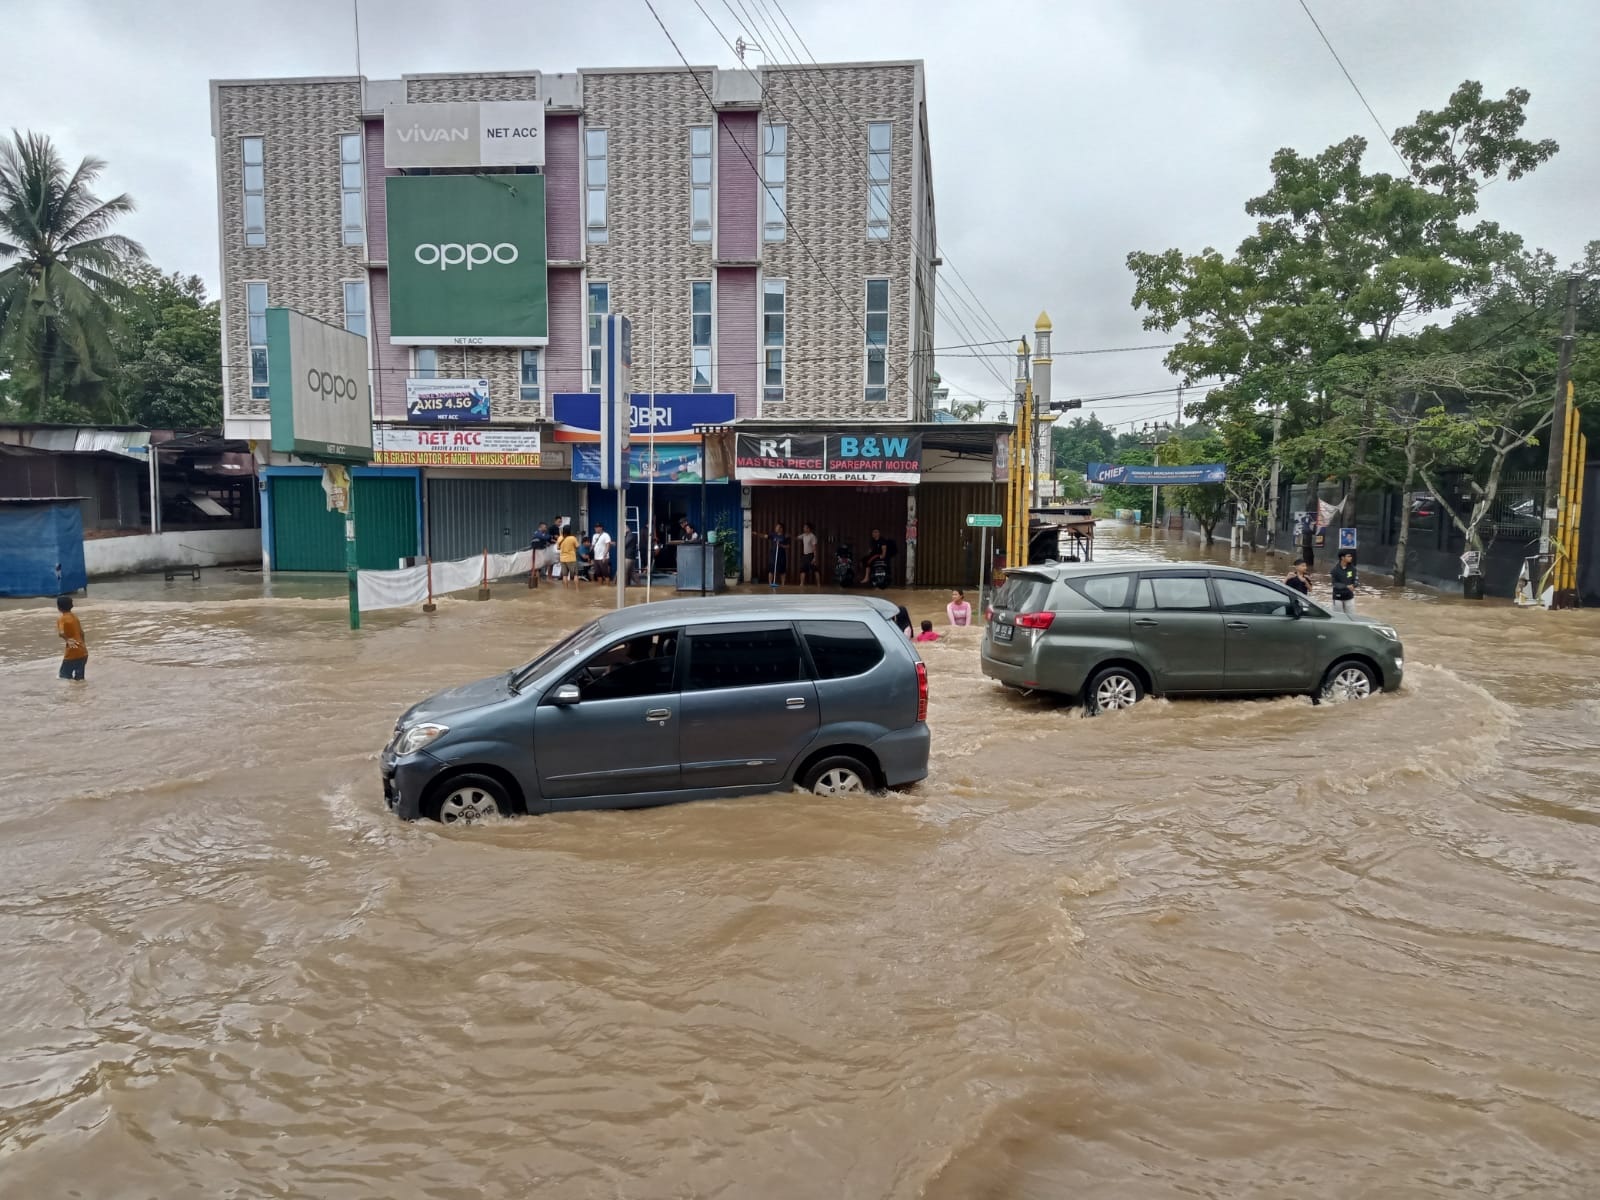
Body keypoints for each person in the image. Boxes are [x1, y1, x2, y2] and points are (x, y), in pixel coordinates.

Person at [56, 595, 87, 681]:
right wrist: (83, 646)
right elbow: (82, 633)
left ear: (59, 608)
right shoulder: (75, 617)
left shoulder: (62, 619)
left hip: (72, 652)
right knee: (80, 680)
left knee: (63, 677)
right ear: (71, 606)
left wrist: (67, 640)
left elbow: (61, 633)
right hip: (83, 652)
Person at [1330, 550, 1359, 615]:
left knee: (1352, 616)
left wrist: (1354, 585)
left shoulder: (1353, 569)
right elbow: (1334, 584)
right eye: (1348, 556)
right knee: (1339, 617)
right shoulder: (1335, 570)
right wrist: (1346, 586)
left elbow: (1356, 580)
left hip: (1349, 597)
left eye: (1351, 556)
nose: (1351, 558)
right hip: (1338, 597)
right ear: (1342, 558)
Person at [765, 522, 789, 589]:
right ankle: (770, 583)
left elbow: (788, 546)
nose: (776, 528)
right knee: (771, 569)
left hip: (781, 555)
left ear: (781, 528)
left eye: (777, 527)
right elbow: (765, 536)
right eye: (776, 527)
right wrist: (757, 534)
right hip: (773, 554)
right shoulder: (773, 535)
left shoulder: (785, 536)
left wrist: (781, 545)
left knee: (782, 569)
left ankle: (783, 584)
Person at [558, 525, 580, 589]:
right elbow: (577, 547)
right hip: (571, 559)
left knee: (564, 575)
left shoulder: (560, 538)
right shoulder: (573, 538)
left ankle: (566, 590)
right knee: (576, 575)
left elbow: (558, 548)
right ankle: (577, 590)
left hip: (562, 559)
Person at [798, 522, 819, 587]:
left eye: (805, 527)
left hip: (811, 555)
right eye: (804, 527)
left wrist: (815, 558)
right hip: (805, 555)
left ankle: (818, 584)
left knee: (815, 569)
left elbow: (814, 548)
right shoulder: (804, 535)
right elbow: (797, 537)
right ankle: (801, 583)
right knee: (802, 569)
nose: (804, 528)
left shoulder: (812, 536)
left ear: (809, 529)